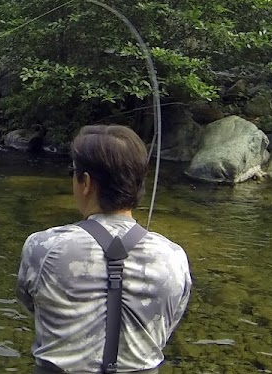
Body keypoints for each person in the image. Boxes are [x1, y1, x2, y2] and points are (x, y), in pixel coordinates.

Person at [16, 125, 191, 374]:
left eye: (72, 173)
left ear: (85, 182)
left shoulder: (42, 247)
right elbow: (168, 323)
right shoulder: (174, 257)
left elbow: (30, 303)